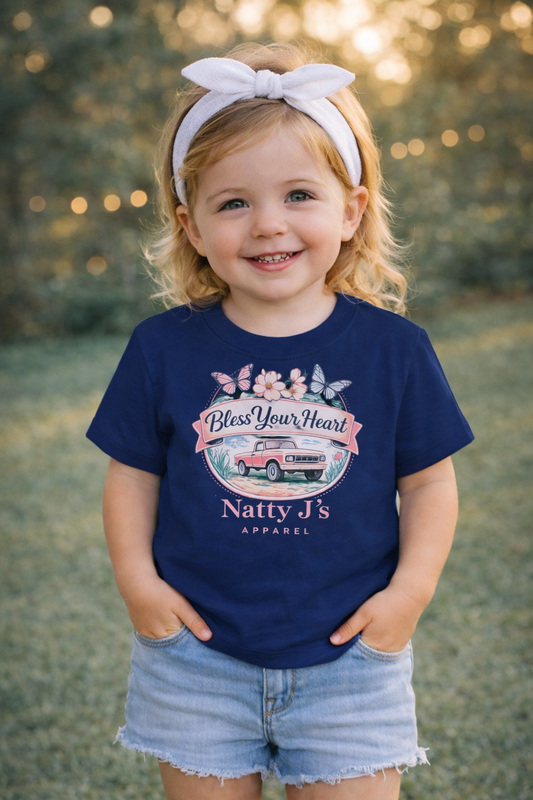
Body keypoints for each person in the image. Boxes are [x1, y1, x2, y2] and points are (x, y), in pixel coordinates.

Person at [86, 41, 474, 800]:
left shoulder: (395, 350)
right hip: (195, 659)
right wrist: (138, 585)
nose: (268, 224)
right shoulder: (161, 349)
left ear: (350, 209)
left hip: (351, 663)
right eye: (233, 203)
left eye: (298, 194)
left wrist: (408, 596)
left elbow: (429, 483)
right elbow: (131, 477)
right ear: (192, 226)